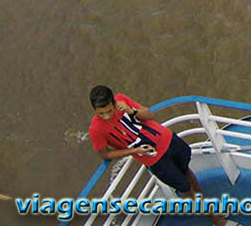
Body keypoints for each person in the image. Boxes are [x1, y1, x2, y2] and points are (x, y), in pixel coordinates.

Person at [88, 85, 227, 226]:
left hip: (169, 140)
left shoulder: (121, 100)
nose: (106, 116)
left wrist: (131, 111)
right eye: (101, 113)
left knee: (186, 171)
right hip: (155, 160)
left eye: (109, 111)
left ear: (113, 102)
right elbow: (106, 154)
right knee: (185, 188)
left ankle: (205, 202)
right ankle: (214, 218)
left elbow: (148, 115)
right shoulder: (96, 129)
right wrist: (134, 151)